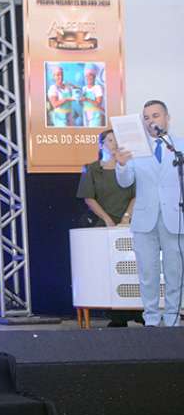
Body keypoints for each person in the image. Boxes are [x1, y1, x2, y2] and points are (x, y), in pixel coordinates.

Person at [115, 100, 184, 327]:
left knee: (175, 272)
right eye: (146, 117)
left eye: (155, 115)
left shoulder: (180, 147)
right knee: (147, 273)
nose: (150, 121)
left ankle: (173, 319)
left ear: (167, 118)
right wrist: (122, 165)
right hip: (145, 220)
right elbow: (125, 182)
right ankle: (151, 320)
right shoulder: (134, 148)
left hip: (175, 218)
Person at [77, 129, 140, 327]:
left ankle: (138, 311)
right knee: (109, 271)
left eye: (117, 140)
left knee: (132, 269)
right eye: (110, 140)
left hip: (129, 222)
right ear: (101, 144)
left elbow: (136, 195)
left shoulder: (128, 167)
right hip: (102, 223)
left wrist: (127, 217)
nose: (114, 144)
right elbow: (89, 198)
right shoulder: (91, 169)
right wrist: (107, 220)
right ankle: (117, 316)